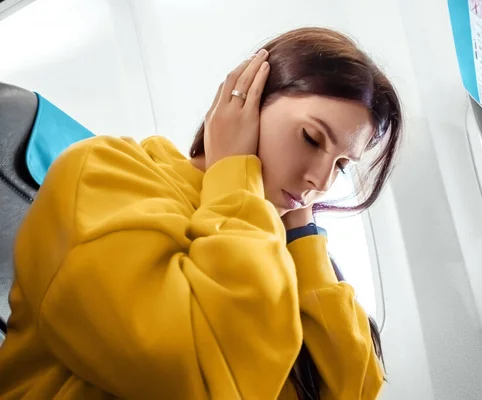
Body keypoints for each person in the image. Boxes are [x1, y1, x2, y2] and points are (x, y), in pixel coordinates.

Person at [0, 27, 402, 399]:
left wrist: (300, 230)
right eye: (311, 138)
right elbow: (199, 375)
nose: (320, 180)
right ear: (247, 101)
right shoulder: (104, 172)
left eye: (342, 165)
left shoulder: (268, 238)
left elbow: (353, 385)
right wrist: (234, 172)